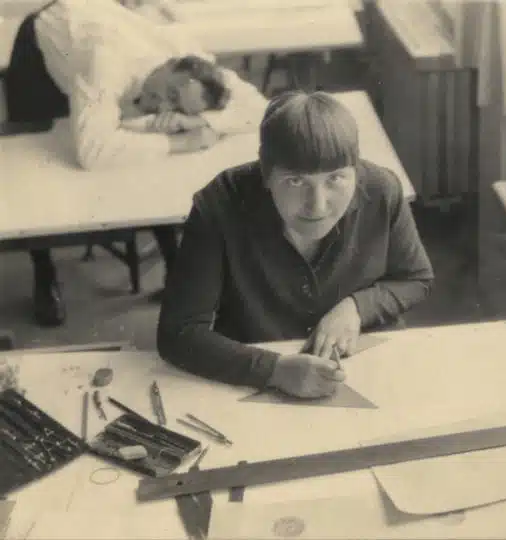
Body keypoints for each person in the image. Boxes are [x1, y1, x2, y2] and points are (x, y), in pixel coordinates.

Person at [3, 0, 269, 327]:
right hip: (45, 40)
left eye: (177, 104)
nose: (163, 104)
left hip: (99, 23)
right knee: (37, 160)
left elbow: (260, 107)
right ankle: (44, 272)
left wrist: (205, 123)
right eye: (168, 90)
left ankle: (175, 266)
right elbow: (93, 152)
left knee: (146, 158)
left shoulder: (189, 55)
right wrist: (180, 141)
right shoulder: (105, 63)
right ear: (168, 66)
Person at [157, 91, 434, 399]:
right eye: (295, 181)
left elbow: (415, 278)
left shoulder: (384, 189)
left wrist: (356, 308)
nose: (317, 206)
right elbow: (179, 333)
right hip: (253, 383)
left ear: (355, 169)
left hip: (367, 367)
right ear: (266, 172)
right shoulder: (218, 204)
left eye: (336, 179)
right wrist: (273, 370)